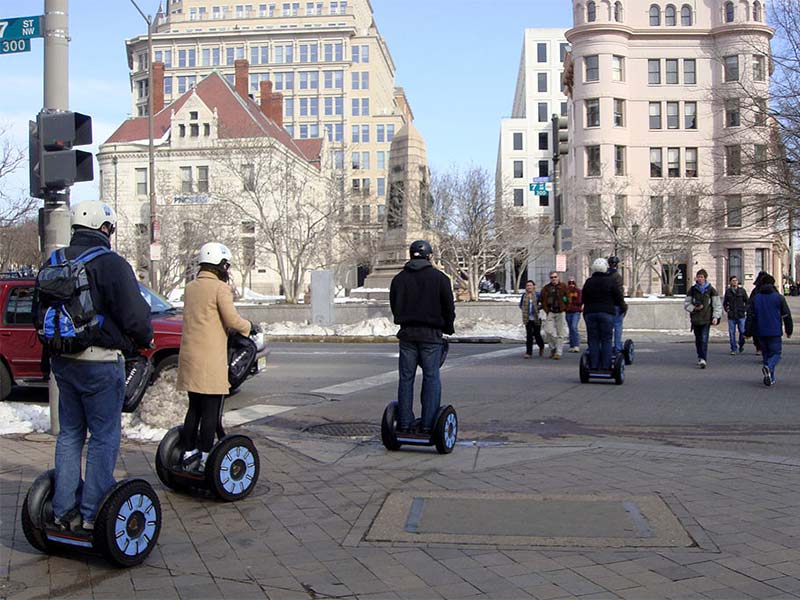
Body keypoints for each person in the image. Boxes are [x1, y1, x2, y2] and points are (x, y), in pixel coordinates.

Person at [39, 201, 153, 532]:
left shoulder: (54, 261)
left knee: (70, 434)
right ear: (104, 229)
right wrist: (142, 338)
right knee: (103, 437)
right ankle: (92, 515)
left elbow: (39, 313)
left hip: (63, 362)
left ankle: (63, 511)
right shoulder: (111, 264)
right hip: (100, 363)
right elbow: (136, 317)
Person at [177, 242, 255, 470]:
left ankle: (188, 451)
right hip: (210, 360)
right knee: (211, 411)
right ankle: (204, 456)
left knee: (194, 408)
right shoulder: (220, 289)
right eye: (226, 265)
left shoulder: (191, 287)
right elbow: (231, 319)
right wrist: (250, 326)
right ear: (220, 265)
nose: (227, 270)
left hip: (190, 357)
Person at [389, 240, 455, 434]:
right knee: (431, 377)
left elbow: (395, 305)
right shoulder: (440, 278)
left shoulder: (399, 279)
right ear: (430, 256)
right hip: (431, 335)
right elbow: (448, 308)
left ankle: (404, 423)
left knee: (406, 378)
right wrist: (448, 328)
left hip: (408, 334)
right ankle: (428, 424)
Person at [745, 273, 793, 386]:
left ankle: (770, 377)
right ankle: (768, 368)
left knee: (766, 354)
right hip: (775, 330)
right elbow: (786, 315)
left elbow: (750, 316)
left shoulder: (756, 298)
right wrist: (789, 330)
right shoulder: (778, 297)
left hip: (760, 331)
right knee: (776, 353)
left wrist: (748, 332)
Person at [581, 258, 627, 370]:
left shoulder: (588, 282)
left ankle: (594, 364)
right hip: (606, 313)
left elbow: (584, 298)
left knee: (593, 339)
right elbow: (618, 297)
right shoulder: (610, 281)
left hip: (590, 313)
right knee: (606, 339)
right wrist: (622, 307)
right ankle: (606, 365)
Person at [683, 268, 722, 368]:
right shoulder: (692, 290)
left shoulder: (711, 290)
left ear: (705, 278)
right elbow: (687, 304)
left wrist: (715, 317)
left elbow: (717, 305)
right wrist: (694, 308)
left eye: (702, 277)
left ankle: (703, 359)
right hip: (696, 319)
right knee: (698, 339)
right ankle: (700, 356)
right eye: (698, 277)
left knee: (704, 339)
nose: (700, 279)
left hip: (706, 319)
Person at [540, 271, 569, 359]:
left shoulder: (563, 286)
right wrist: (546, 309)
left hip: (560, 311)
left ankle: (558, 353)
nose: (554, 279)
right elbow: (542, 299)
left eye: (555, 277)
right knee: (548, 330)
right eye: (552, 277)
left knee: (561, 333)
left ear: (558, 277)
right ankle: (553, 347)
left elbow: (568, 298)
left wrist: (565, 307)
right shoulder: (546, 288)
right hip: (551, 311)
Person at [723, 275, 749, 355]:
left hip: (741, 314)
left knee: (742, 331)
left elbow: (747, 302)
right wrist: (727, 310)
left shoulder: (742, 291)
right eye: (733, 280)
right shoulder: (728, 292)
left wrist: (745, 310)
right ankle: (733, 348)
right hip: (732, 315)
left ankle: (741, 344)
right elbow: (725, 303)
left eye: (736, 280)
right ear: (730, 282)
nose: (735, 282)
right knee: (731, 333)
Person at [519, 280, 544, 358]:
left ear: (533, 286)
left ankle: (541, 346)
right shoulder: (524, 295)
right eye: (527, 285)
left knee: (537, 335)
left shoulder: (537, 295)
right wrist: (525, 310)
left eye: (530, 285)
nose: (529, 287)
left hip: (536, 318)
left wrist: (537, 308)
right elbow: (520, 305)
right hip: (528, 318)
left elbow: (542, 304)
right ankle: (529, 353)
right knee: (529, 335)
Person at [607, 256, 626, 353]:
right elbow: (619, 292)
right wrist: (623, 305)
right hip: (616, 305)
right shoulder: (617, 276)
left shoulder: (605, 275)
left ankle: (607, 346)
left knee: (607, 327)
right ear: (617, 265)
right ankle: (618, 347)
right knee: (617, 326)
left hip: (606, 305)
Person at [750, 271, 768, 355]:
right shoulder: (756, 291)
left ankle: (760, 348)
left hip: (759, 315)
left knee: (757, 333)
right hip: (763, 315)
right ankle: (760, 348)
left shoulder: (756, 291)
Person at [565, 277, 583, 352]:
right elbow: (564, 300)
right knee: (570, 328)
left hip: (576, 311)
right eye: (570, 283)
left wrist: (573, 298)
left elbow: (580, 301)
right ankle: (572, 345)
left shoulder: (578, 291)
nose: (571, 285)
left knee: (574, 327)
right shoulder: (566, 292)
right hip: (568, 311)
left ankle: (576, 345)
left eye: (573, 283)